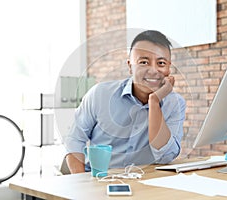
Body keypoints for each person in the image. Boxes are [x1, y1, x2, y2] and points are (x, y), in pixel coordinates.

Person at [64, 30, 186, 173]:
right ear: (130, 66)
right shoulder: (100, 94)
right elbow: (75, 140)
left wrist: (154, 102)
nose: (153, 70)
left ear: (168, 68)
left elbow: (165, 157)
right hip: (98, 180)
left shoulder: (175, 104)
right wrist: (82, 183)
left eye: (161, 63)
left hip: (143, 184)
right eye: (144, 62)